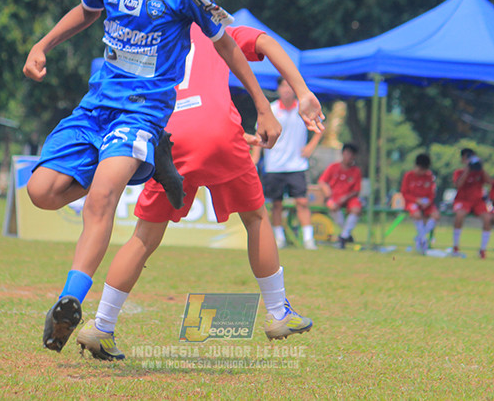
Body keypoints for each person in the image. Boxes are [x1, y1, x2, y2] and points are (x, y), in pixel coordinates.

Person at [21, 0, 280, 354]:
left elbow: (227, 47)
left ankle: (69, 303)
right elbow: (87, 10)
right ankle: (152, 163)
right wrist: (44, 44)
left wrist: (263, 107)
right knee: (41, 191)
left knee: (101, 199)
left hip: (141, 114)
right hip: (97, 104)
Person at [76, 24, 323, 360]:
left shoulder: (154, 36)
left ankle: (101, 325)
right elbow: (267, 41)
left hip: (169, 135)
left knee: (144, 237)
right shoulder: (216, 28)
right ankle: (279, 313)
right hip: (220, 130)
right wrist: (303, 90)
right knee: (255, 218)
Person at [258, 77, 324, 250]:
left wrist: (311, 145)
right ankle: (279, 238)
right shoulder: (270, 110)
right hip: (274, 165)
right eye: (283, 86)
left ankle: (309, 239)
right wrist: (255, 158)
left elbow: (319, 126)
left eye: (290, 86)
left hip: (297, 165)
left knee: (302, 202)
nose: (287, 90)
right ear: (278, 89)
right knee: (276, 204)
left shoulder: (303, 108)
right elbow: (259, 134)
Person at [317, 143, 363, 248]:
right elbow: (322, 181)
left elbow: (356, 190)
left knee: (356, 209)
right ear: (343, 154)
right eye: (347, 154)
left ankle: (343, 236)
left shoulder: (356, 171)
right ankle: (346, 234)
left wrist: (344, 198)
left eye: (351, 154)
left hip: (349, 197)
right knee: (332, 205)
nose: (349, 157)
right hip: (334, 197)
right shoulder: (333, 167)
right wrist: (327, 192)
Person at [451, 148, 494, 258]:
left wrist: (481, 168)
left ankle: (483, 250)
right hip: (463, 200)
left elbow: (490, 182)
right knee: (459, 215)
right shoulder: (459, 172)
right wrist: (467, 169)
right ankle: (455, 246)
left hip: (478, 202)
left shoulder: (480, 172)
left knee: (487, 219)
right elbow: (458, 185)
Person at [400, 153, 439, 254]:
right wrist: (416, 200)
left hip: (426, 204)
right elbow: (404, 193)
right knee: (417, 214)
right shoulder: (408, 176)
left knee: (436, 215)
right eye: (420, 169)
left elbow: (431, 192)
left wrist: (428, 202)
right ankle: (422, 240)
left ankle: (419, 238)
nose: (421, 172)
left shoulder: (429, 176)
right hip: (412, 202)